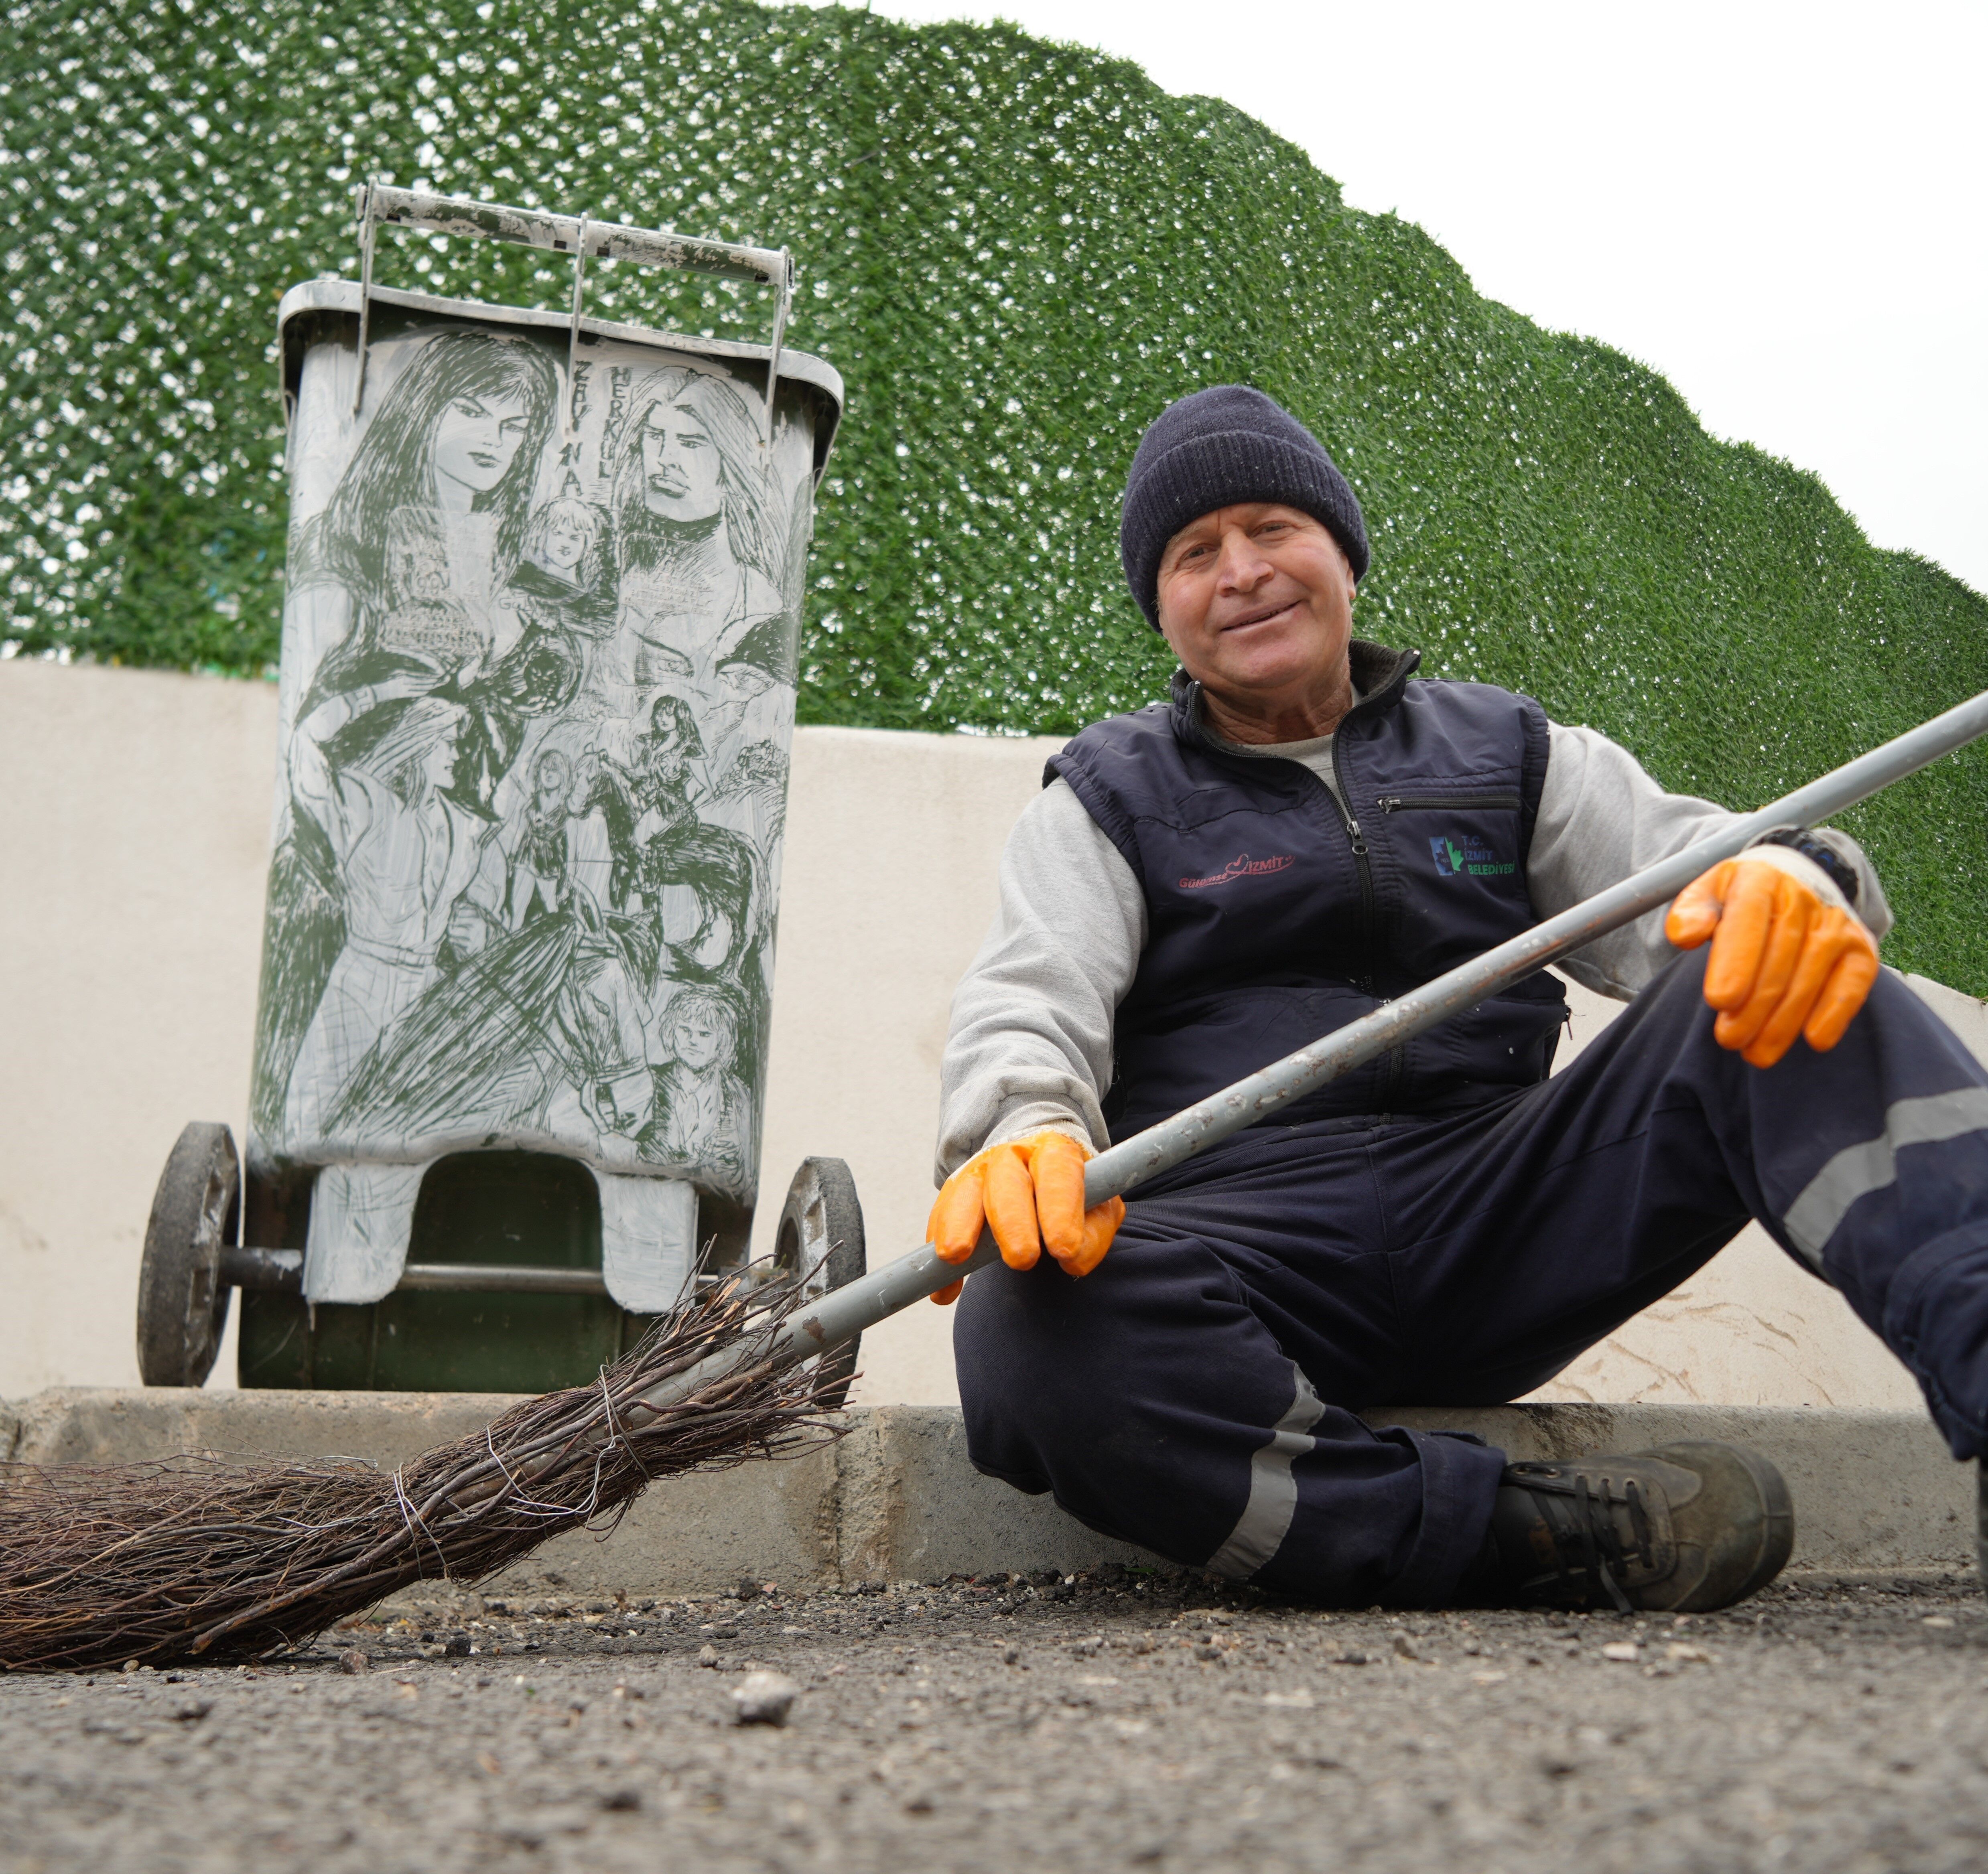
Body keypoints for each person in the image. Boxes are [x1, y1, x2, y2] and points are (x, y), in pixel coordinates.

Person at [931, 384, 1988, 1614]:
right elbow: (1029, 996)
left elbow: (1697, 877)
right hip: (1246, 1251)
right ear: (1160, 608)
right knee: (1022, 1321)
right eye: (1192, 554)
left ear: (1342, 554)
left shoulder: (1515, 754)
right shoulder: (1100, 798)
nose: (1240, 572)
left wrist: (1798, 874)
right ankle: (1526, 1535)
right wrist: (1025, 1130)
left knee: (1786, 970)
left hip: (1507, 1217)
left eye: (1272, 528)